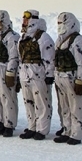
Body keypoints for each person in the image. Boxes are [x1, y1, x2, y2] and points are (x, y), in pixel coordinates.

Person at [53, 12, 82, 145]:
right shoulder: (59, 40)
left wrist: (80, 81)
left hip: (73, 78)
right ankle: (66, 130)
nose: (59, 26)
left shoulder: (79, 41)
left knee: (76, 107)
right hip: (61, 78)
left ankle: (77, 133)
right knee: (64, 107)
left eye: (61, 23)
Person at [18, 10, 55, 140]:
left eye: (27, 18)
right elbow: (20, 57)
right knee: (28, 102)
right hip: (25, 74)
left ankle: (42, 129)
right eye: (23, 18)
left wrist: (50, 74)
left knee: (42, 103)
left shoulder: (43, 37)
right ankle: (32, 126)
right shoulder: (23, 37)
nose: (24, 20)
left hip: (38, 74)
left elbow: (49, 58)